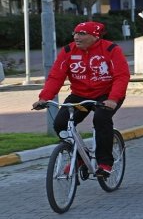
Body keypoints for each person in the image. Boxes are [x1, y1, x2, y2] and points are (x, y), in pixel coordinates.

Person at [32, 22, 130, 178]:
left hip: (107, 94)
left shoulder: (111, 50)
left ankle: (105, 164)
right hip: (80, 95)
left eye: (82, 33)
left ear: (95, 36)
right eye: (75, 33)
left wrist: (113, 98)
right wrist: (44, 98)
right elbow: (56, 76)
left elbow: (121, 76)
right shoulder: (68, 51)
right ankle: (80, 159)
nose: (77, 37)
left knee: (100, 119)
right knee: (60, 124)